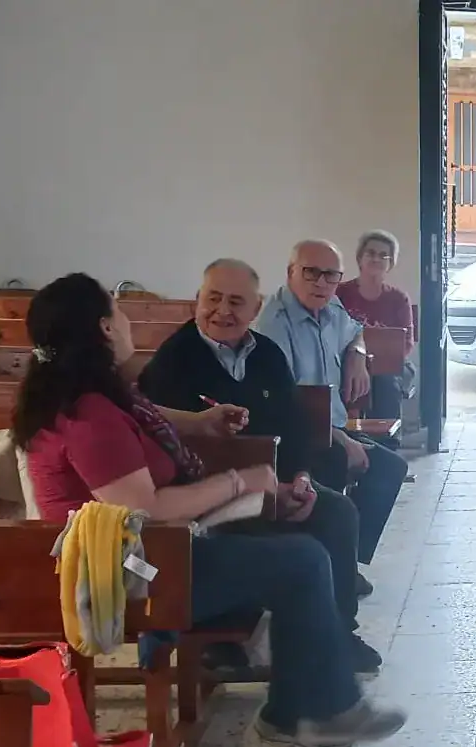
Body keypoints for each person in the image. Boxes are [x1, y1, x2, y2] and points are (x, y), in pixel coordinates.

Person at [14, 274, 405, 747]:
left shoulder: (90, 394)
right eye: (117, 311)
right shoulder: (88, 415)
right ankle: (313, 710)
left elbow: (146, 416)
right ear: (104, 328)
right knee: (301, 561)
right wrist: (239, 482)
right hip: (129, 575)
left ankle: (306, 700)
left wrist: (209, 433)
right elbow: (145, 508)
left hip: (155, 549)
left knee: (316, 525)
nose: (126, 319)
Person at [138, 258, 381, 673]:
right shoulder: (173, 360)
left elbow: (295, 425)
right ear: (197, 301)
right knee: (242, 531)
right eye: (213, 299)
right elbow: (160, 445)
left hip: (275, 482)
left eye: (236, 302)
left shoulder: (266, 353)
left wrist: (301, 479)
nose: (222, 311)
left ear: (255, 308)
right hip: (206, 495)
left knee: (337, 511)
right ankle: (221, 636)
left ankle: (339, 632)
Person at [258, 240, 405, 585]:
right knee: (337, 464)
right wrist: (342, 439)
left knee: (390, 468)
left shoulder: (331, 305)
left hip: (333, 424)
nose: (322, 282)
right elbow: (289, 401)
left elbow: (356, 332)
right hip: (298, 434)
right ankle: (330, 571)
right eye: (311, 273)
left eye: (331, 275)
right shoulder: (275, 323)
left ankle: (345, 563)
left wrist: (357, 355)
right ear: (291, 272)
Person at [336, 230, 416, 422]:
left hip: (391, 366)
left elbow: (407, 343)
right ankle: (345, 431)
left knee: (385, 382)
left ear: (390, 263)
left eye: (383, 255)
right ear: (360, 258)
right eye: (370, 253)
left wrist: (373, 362)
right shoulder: (340, 293)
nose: (376, 259)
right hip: (347, 361)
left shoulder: (399, 298)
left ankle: (386, 436)